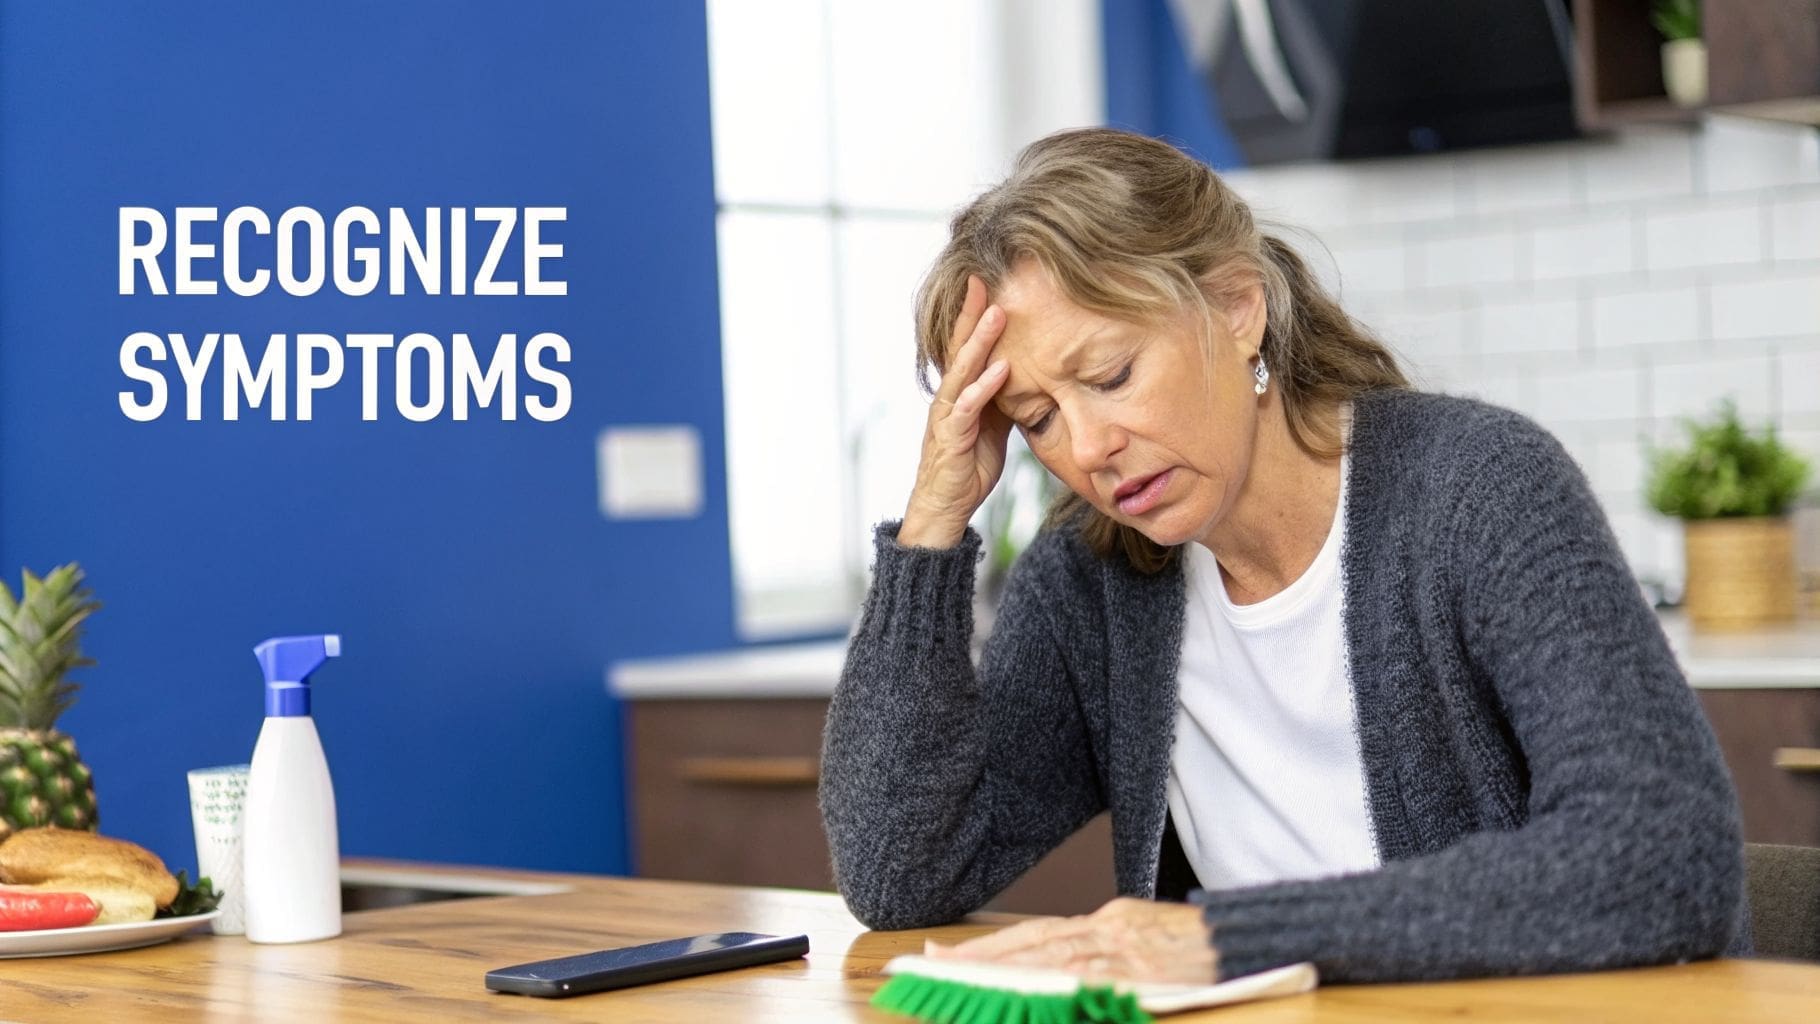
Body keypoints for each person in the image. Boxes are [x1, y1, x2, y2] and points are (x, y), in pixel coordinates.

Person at [817, 127, 1748, 984]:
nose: (1089, 448)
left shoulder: (1478, 490)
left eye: (1110, 376)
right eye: (1040, 419)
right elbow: (903, 874)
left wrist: (1229, 939)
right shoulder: (1093, 579)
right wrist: (933, 519)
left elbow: (1666, 852)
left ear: (1236, 308)